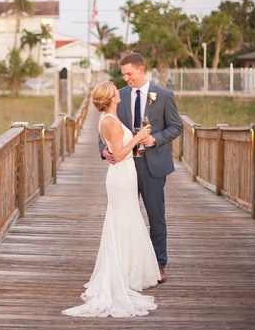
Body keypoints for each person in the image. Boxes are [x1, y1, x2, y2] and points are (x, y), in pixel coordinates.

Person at [62, 81, 160, 318]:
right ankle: (121, 274)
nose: (120, 92)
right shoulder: (111, 122)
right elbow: (118, 154)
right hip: (121, 174)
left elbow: (113, 150)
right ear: (111, 97)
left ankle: (127, 270)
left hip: (122, 175)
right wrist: (137, 137)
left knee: (126, 219)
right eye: (116, 90)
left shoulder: (107, 119)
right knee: (123, 220)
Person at [99, 53, 182, 284]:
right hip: (125, 166)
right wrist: (104, 150)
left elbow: (176, 127)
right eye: (123, 74)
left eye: (129, 74)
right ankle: (127, 265)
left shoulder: (164, 96)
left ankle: (158, 265)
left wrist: (154, 139)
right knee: (127, 216)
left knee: (156, 216)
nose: (126, 79)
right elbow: (106, 125)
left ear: (142, 70)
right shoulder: (118, 97)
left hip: (152, 165)